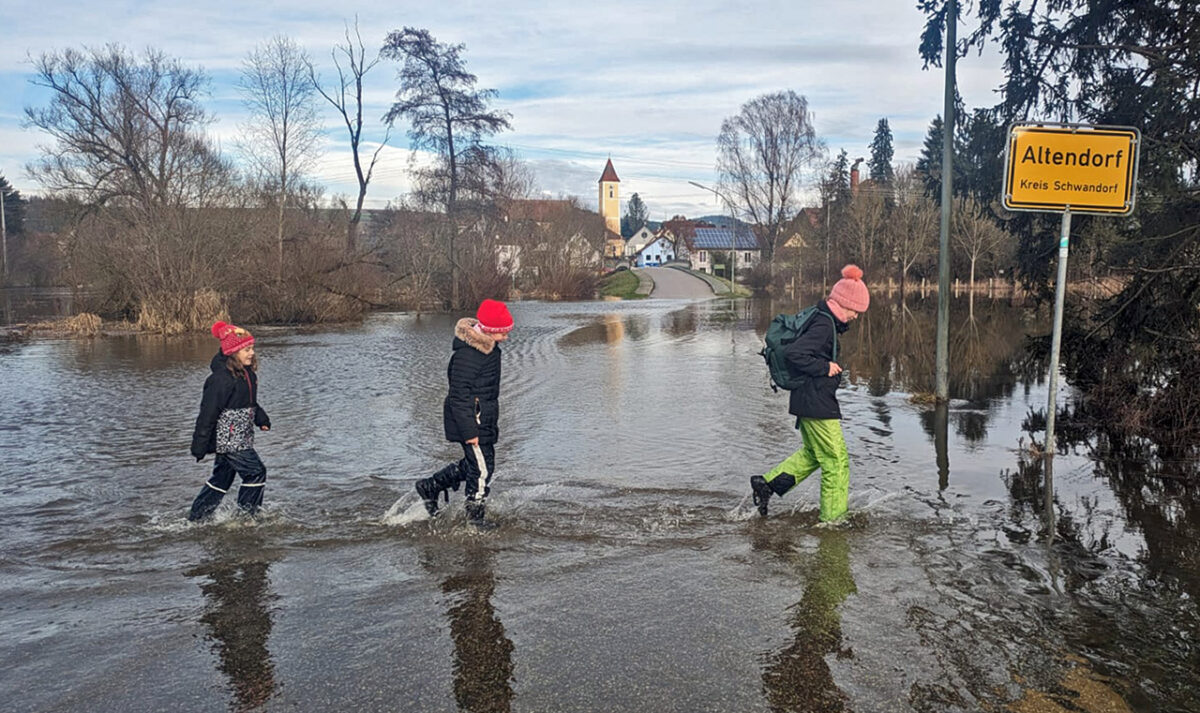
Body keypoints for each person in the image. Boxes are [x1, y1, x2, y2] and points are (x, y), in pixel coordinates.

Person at [750, 265, 870, 523]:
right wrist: (825, 366)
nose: (856, 317)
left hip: (806, 400)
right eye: (855, 311)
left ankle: (768, 485)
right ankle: (833, 522)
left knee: (815, 455)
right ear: (844, 303)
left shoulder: (819, 316)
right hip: (816, 402)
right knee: (836, 462)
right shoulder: (824, 325)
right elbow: (796, 355)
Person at [415, 299, 514, 527]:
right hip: (471, 421)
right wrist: (470, 431)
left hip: (484, 417)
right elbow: (458, 395)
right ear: (490, 330)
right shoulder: (467, 355)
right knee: (482, 469)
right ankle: (475, 521)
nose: (507, 338)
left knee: (476, 464)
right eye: (504, 333)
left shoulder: (489, 349)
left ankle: (431, 486)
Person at [188, 321, 271, 521]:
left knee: (222, 478)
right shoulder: (220, 380)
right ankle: (246, 519)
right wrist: (199, 445)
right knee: (256, 472)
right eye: (246, 349)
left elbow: (250, 403)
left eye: (252, 348)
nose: (251, 353)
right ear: (233, 353)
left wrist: (261, 418)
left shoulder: (247, 374)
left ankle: (197, 518)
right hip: (230, 438)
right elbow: (207, 415)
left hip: (242, 435)